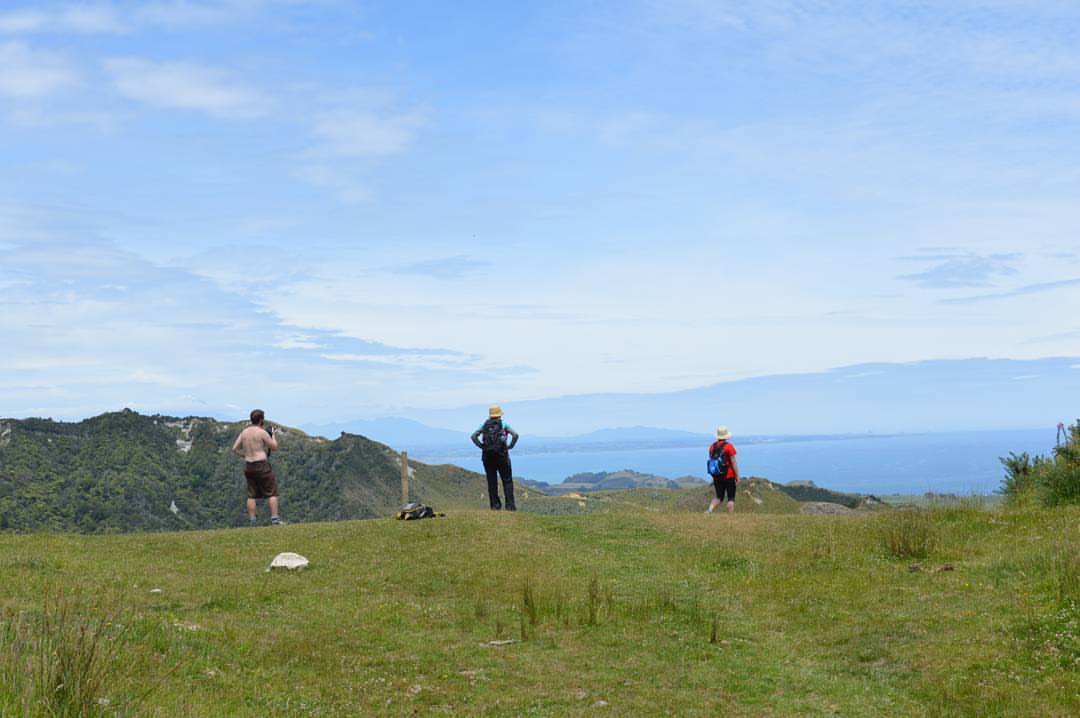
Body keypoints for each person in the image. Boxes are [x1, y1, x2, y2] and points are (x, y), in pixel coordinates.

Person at [231, 409, 284, 525]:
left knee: (251, 495)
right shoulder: (261, 432)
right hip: (261, 464)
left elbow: (235, 448)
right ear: (261, 420)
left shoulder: (244, 432)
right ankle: (275, 519)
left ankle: (252, 521)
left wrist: (244, 455)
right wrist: (273, 435)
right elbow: (274, 447)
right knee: (272, 492)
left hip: (249, 465)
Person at [471, 405, 520, 510]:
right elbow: (515, 435)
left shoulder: (484, 424)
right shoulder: (503, 424)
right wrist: (510, 446)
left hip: (487, 457)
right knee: (507, 481)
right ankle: (510, 507)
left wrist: (482, 446)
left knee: (492, 481)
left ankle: (495, 506)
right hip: (502, 456)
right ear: (499, 415)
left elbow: (473, 436)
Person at [706, 426, 739, 514]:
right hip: (729, 476)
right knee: (731, 498)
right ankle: (730, 517)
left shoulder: (712, 447)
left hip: (717, 476)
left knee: (719, 497)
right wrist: (737, 476)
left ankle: (709, 510)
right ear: (726, 436)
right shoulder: (729, 447)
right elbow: (733, 463)